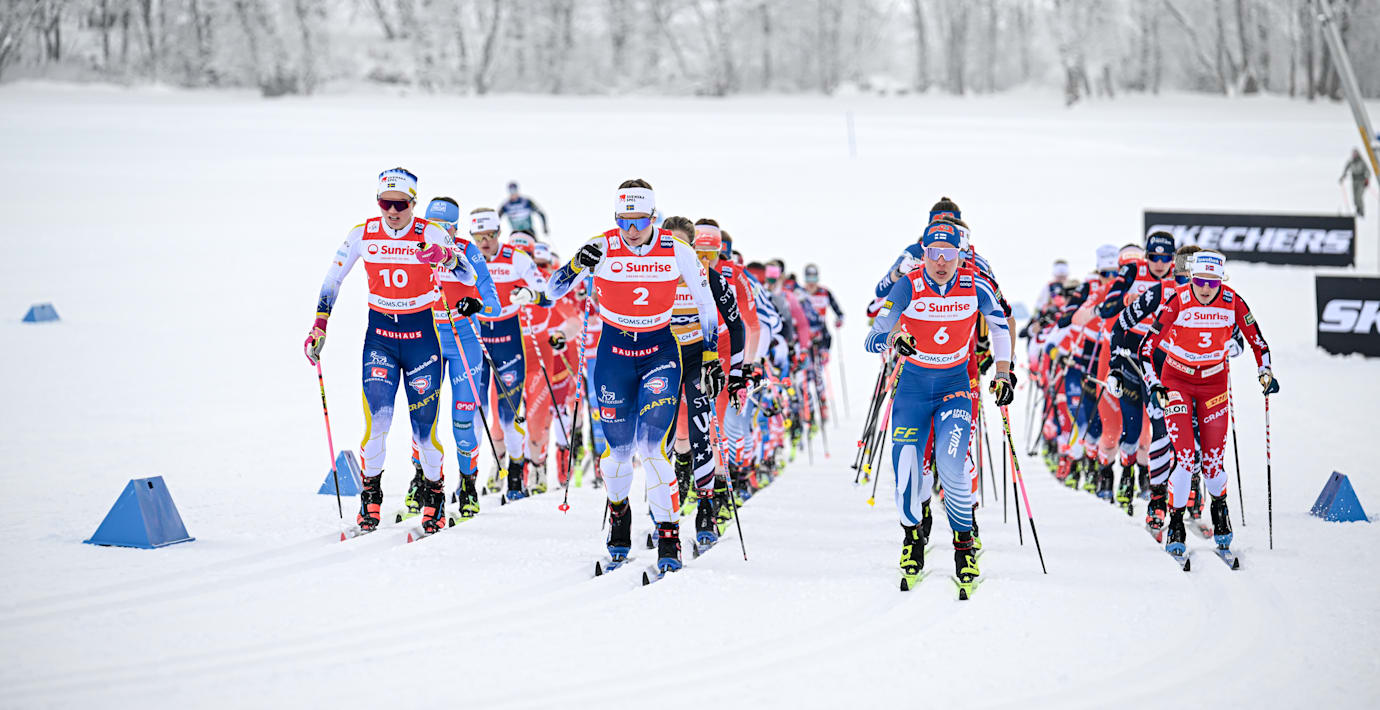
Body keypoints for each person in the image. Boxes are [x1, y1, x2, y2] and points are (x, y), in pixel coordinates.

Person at [544, 180, 723, 574]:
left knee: (652, 448)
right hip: (613, 356)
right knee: (619, 453)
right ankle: (620, 516)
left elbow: (707, 302)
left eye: (639, 220)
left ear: (653, 217)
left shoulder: (677, 250)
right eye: (623, 220)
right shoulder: (603, 245)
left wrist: (710, 355)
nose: (630, 230)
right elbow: (551, 292)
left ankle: (669, 534)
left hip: (660, 352)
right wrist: (576, 264)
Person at [304, 168, 477, 535]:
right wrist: (320, 324)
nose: (392, 211)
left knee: (424, 432)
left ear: (413, 203)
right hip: (380, 339)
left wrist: (444, 257)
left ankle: (434, 495)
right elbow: (332, 279)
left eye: (400, 204)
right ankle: (371, 495)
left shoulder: (429, 231)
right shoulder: (363, 234)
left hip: (422, 340)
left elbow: (467, 276)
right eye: (386, 203)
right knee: (377, 424)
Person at [865, 221, 1014, 595]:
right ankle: (913, 538)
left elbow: (1001, 327)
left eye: (949, 254)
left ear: (960, 255)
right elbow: (872, 335)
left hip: (954, 388)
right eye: (934, 254)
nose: (942, 262)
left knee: (951, 466)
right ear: (924, 253)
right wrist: (893, 337)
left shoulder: (975, 284)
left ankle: (964, 547)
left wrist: (1004, 373)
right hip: (913, 391)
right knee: (905, 474)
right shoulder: (908, 284)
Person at [1139, 250, 1276, 557]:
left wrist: (1265, 372)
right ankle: (1175, 520)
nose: (1205, 288)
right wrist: (1156, 384)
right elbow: (1146, 348)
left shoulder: (1233, 301)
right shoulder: (1179, 300)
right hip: (1177, 379)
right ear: (1192, 278)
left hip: (1214, 382)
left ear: (1221, 281)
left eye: (1212, 282)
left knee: (1213, 463)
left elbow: (1258, 341)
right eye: (1200, 280)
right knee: (1186, 457)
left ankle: (1220, 508)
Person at [401, 197, 501, 522]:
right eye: (434, 226)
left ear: (456, 229)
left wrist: (476, 306)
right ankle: (422, 479)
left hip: (464, 342)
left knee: (461, 421)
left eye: (446, 228)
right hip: (425, 341)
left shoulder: (467, 252)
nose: (439, 233)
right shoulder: (415, 248)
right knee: (423, 419)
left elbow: (494, 305)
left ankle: (468, 485)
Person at [469, 209, 553, 500]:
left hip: (508, 340)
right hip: (476, 340)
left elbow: (545, 291)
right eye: (477, 237)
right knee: (474, 412)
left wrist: (531, 294)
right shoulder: (467, 256)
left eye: (489, 236)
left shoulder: (515, 258)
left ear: (498, 234)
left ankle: (516, 474)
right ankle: (469, 478)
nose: (483, 243)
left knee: (507, 418)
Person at [1340, 148, 1371, 217]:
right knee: (1354, 198)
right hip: (1354, 181)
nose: (1354, 155)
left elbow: (1368, 171)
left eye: (1355, 154)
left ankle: (1361, 211)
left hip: (1361, 181)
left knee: (1359, 196)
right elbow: (1346, 169)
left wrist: (1367, 179)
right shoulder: (1351, 162)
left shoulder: (1362, 162)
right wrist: (1342, 177)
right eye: (1353, 154)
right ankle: (1358, 210)